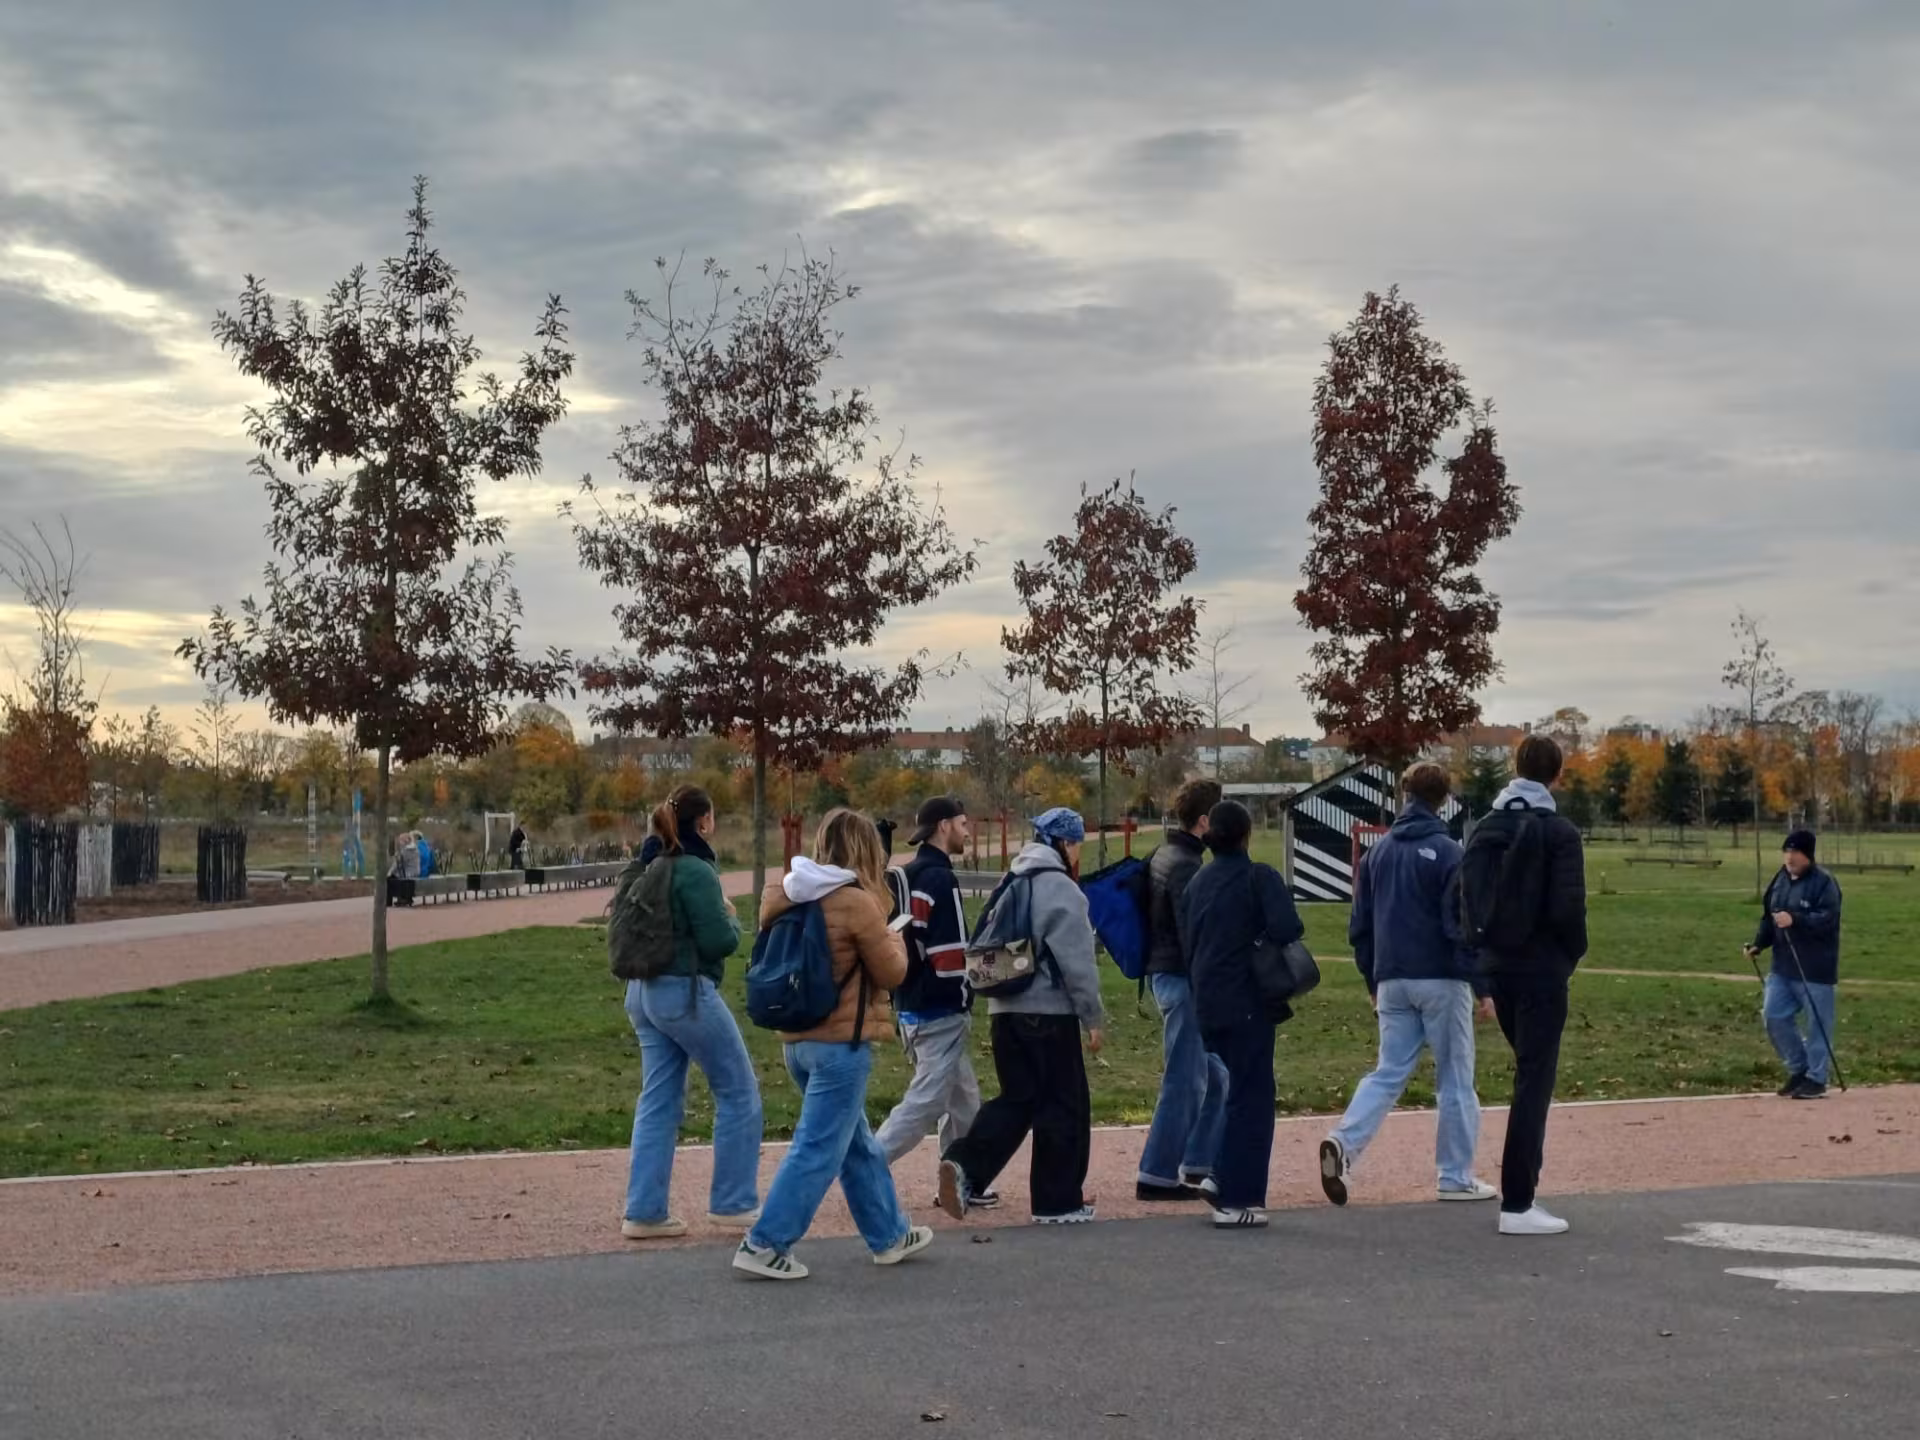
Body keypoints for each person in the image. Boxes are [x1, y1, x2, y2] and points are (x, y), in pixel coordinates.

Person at [735, 809, 931, 1280]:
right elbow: (891, 973)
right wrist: (895, 940)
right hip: (840, 1044)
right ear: (867, 851)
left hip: (797, 1040)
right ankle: (764, 1243)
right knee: (819, 1146)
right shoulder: (856, 902)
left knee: (855, 1142)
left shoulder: (783, 892)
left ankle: (888, 1234)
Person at [1319, 764, 1496, 1207]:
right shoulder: (1451, 853)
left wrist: (1371, 979)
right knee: (1455, 1078)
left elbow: (1359, 925)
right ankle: (1454, 1175)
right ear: (1444, 798)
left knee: (1388, 1072)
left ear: (1404, 794)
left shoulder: (1377, 855)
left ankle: (1344, 1141)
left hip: (1392, 977)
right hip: (1440, 977)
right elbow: (1459, 924)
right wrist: (1482, 985)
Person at [938, 808, 1105, 1226]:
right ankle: (1058, 1202)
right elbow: (1077, 961)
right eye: (1075, 843)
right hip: (1047, 1011)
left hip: (1004, 1010)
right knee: (1064, 1105)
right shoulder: (1060, 888)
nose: (1077, 851)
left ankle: (964, 1164)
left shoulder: (1010, 880)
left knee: (1018, 1100)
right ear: (1063, 844)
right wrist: (1093, 1016)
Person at [621, 786, 763, 1241]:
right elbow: (718, 942)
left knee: (659, 1100)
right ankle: (733, 1202)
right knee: (738, 1090)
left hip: (641, 991)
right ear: (704, 822)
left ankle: (644, 1211)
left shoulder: (650, 861)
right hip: (684, 992)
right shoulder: (696, 870)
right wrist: (730, 917)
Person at [1473, 735, 1588, 1237]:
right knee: (1534, 1081)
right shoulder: (1560, 833)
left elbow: (1468, 898)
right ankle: (1518, 1201)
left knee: (1528, 1072)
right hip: (1542, 967)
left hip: (1499, 965)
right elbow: (1568, 907)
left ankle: (1521, 1197)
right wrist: (1569, 955)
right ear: (1557, 776)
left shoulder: (1486, 827)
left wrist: (1482, 957)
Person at [1179, 800, 1305, 1229]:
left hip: (1206, 999)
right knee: (1254, 1097)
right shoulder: (1259, 877)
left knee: (1236, 1092)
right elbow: (1288, 929)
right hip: (1246, 999)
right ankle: (1239, 1196)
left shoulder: (1197, 882)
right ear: (1247, 834)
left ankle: (1221, 1173)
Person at [874, 796, 995, 1207]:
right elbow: (948, 956)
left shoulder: (906, 876)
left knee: (964, 1100)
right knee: (926, 1101)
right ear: (943, 826)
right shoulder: (941, 879)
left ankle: (962, 1178)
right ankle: (869, 1163)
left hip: (910, 1000)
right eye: (962, 823)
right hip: (940, 1007)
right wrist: (969, 988)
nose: (966, 831)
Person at [1136, 777, 1229, 1203]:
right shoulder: (1189, 866)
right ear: (1205, 820)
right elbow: (1193, 933)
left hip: (1164, 973)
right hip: (1182, 978)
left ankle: (1197, 1162)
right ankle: (1156, 1174)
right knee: (1185, 1079)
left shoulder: (1164, 854)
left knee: (1215, 1079)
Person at [1744, 830, 1844, 1100]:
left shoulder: (1824, 882)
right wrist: (1759, 944)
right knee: (1773, 1015)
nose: (1789, 857)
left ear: (1807, 855)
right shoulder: (1779, 879)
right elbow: (1769, 915)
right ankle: (1799, 1068)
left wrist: (1796, 919)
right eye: (1786, 851)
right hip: (1783, 965)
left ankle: (1817, 1077)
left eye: (1795, 852)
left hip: (1816, 967)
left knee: (1817, 1025)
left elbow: (1828, 918)